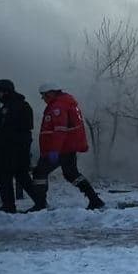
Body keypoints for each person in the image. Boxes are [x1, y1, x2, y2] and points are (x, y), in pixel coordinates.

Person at [30, 83, 103, 211]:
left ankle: (40, 205)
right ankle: (95, 200)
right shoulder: (65, 102)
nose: (43, 98)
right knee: (71, 174)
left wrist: (54, 151)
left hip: (60, 149)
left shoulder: (58, 106)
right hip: (67, 147)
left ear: (51, 93)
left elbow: (60, 131)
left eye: (44, 95)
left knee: (39, 172)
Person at [0, 79, 36, 214]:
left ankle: (12, 206)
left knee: (10, 176)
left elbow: (26, 127)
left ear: (6, 91)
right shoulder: (5, 106)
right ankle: (37, 201)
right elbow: (1, 123)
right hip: (7, 148)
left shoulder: (20, 106)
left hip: (14, 148)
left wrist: (2, 130)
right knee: (17, 176)